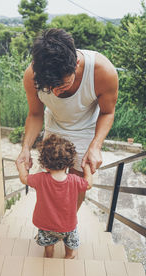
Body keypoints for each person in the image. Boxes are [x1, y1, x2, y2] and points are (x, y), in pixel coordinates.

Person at [16, 28, 118, 209]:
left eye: (62, 85)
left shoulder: (103, 72)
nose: (55, 92)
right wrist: (25, 148)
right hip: (54, 126)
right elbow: (35, 114)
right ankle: (48, 221)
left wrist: (96, 146)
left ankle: (69, 222)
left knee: (77, 184)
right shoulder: (31, 75)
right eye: (49, 87)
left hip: (85, 129)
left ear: (76, 63)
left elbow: (107, 112)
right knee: (49, 180)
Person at [16, 134, 92, 258]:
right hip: (68, 226)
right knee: (70, 245)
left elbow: (24, 178)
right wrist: (87, 168)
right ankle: (69, 256)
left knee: (48, 245)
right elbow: (88, 184)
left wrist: (21, 166)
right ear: (68, 164)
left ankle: (49, 256)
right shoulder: (74, 180)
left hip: (46, 225)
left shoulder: (40, 179)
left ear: (45, 165)